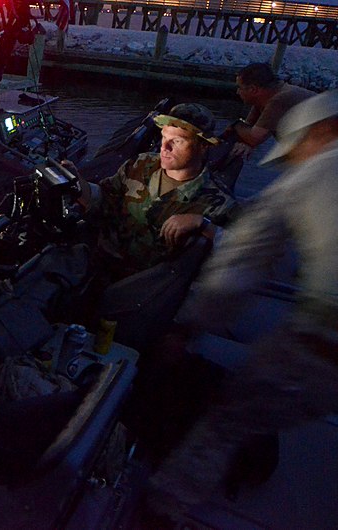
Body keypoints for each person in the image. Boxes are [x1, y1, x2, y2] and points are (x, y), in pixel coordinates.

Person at [149, 90, 338, 514]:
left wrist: (186, 327)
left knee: (226, 420)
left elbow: (241, 266)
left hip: (324, 343)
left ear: (323, 131)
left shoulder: (311, 174)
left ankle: (161, 512)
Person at [86, 102, 238, 279]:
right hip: (100, 264)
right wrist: (78, 184)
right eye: (164, 137)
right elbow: (106, 196)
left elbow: (244, 250)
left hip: (144, 287)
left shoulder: (219, 201)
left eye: (177, 141)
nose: (164, 148)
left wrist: (203, 224)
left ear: (203, 146)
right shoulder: (140, 164)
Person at [229, 62, 315, 159]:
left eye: (239, 88)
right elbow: (249, 128)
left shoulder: (280, 99)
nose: (237, 92)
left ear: (253, 89)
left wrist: (235, 126)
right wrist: (244, 143)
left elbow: (254, 137)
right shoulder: (263, 99)